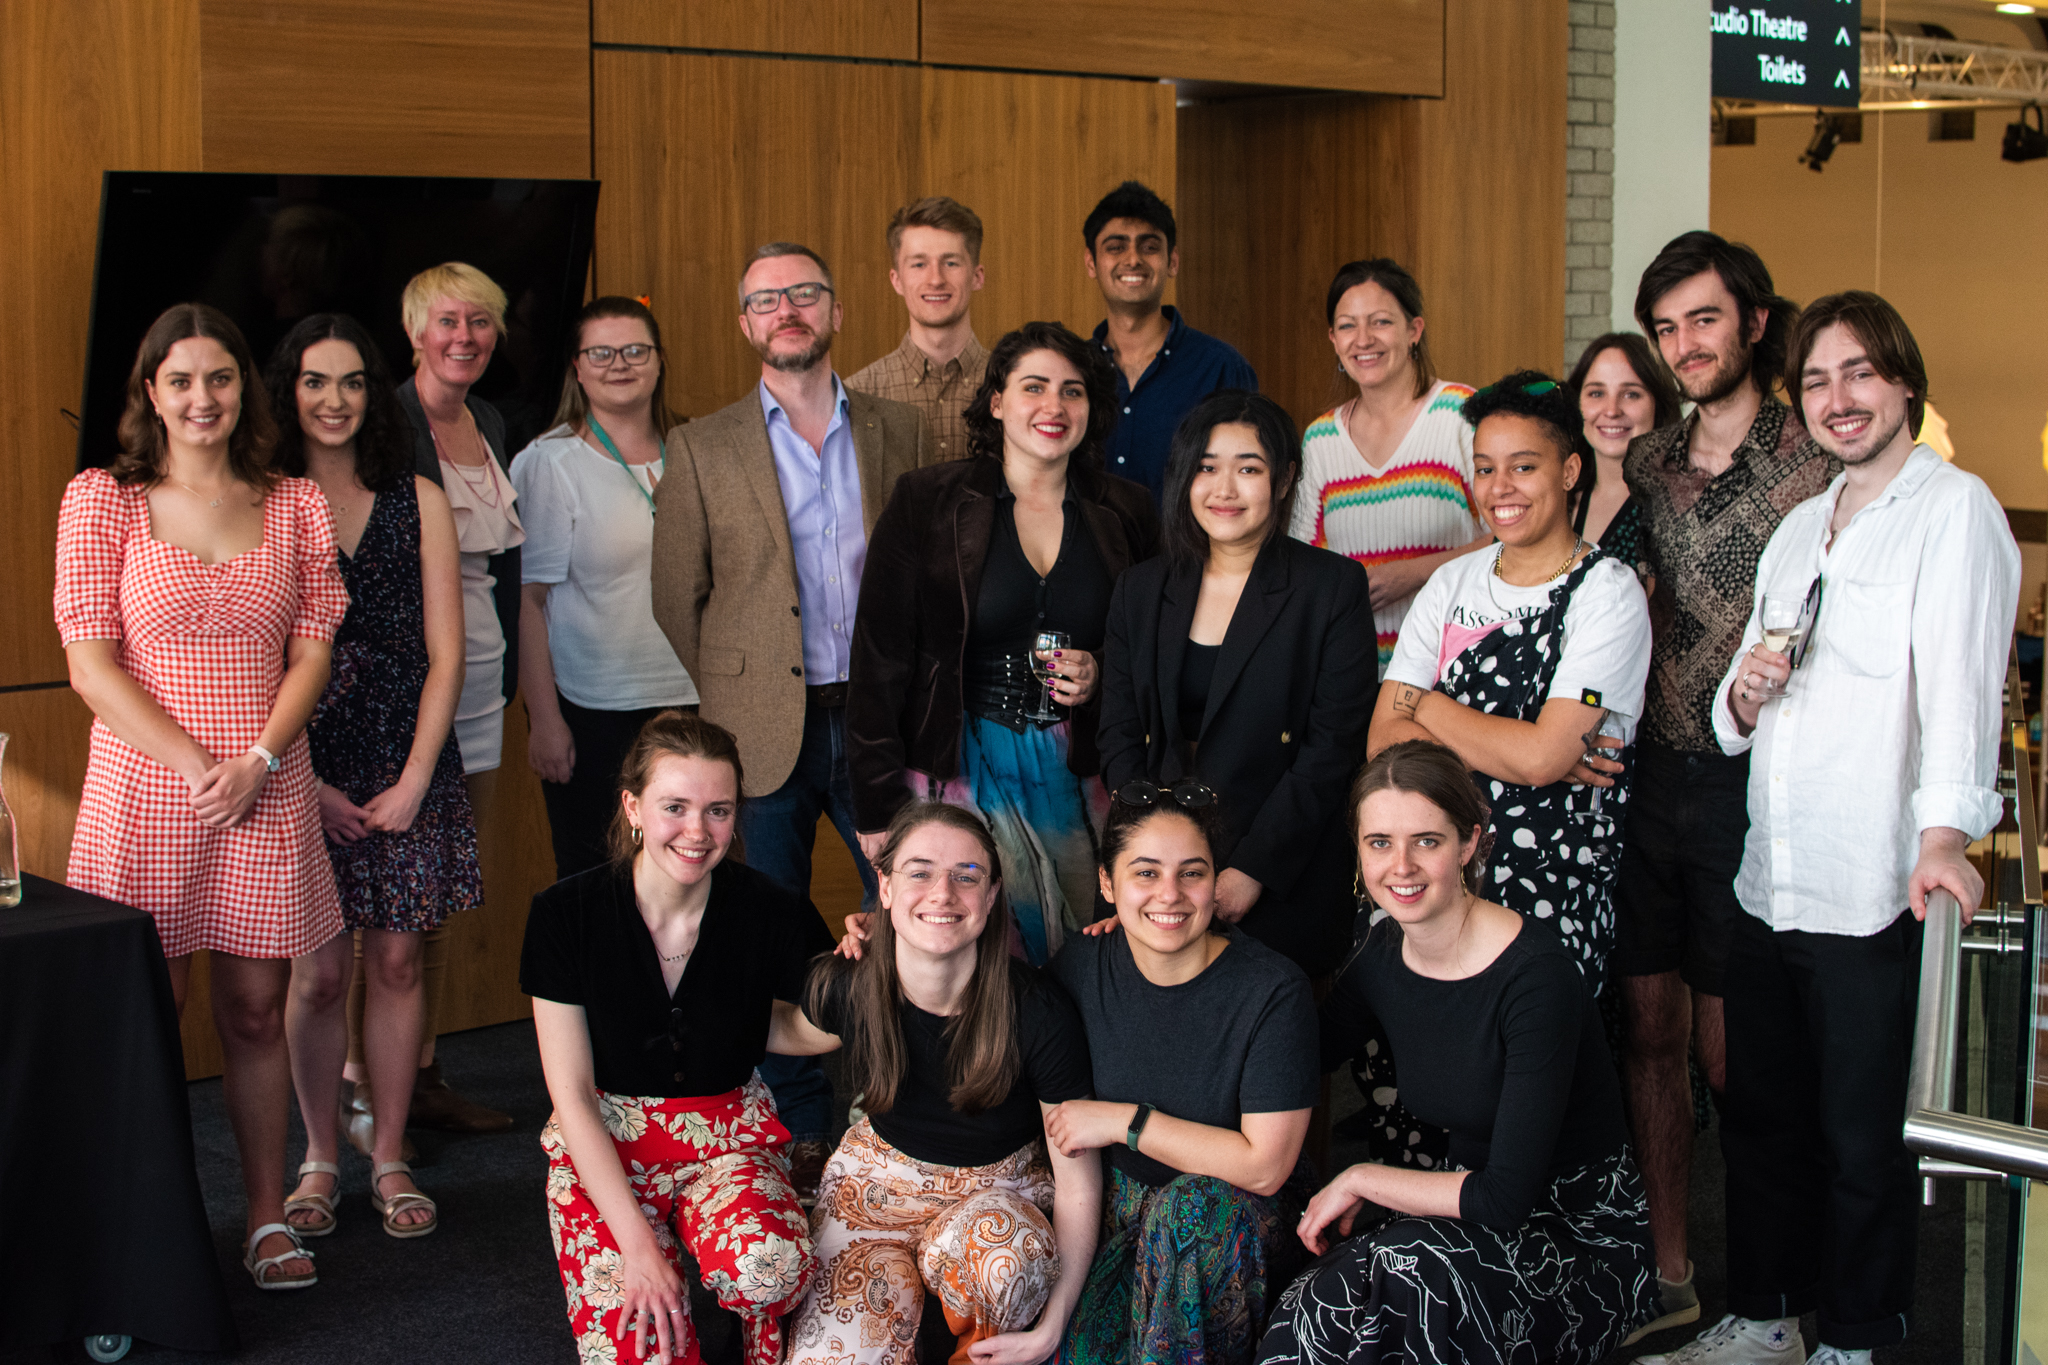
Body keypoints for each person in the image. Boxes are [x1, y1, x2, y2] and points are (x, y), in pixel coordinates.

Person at [1650, 295, 2021, 1365]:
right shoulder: (1802, 522)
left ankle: (1857, 1337)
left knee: (1862, 1139)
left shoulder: (1951, 511)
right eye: (1814, 381)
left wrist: (1943, 835)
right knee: (1764, 1120)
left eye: (1858, 374)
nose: (1836, 399)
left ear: (1903, 382)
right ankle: (1765, 1313)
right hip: (1774, 868)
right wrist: (1744, 695)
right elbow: (1728, 709)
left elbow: (1960, 696)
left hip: (1871, 879)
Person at [57, 303, 349, 1289]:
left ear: (244, 390)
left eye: (219, 378)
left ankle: (266, 1220)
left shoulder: (295, 502)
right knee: (145, 1013)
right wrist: (195, 767)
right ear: (151, 392)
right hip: (145, 790)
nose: (201, 398)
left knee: (258, 1011)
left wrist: (257, 761)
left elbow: (312, 649)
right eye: (180, 380)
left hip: (266, 784)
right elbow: (92, 669)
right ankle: (139, 1234)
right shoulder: (101, 500)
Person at [649, 240, 935, 1196]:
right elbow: (675, 594)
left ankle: (908, 1111)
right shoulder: (701, 444)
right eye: (767, 299)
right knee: (764, 936)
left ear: (836, 310)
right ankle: (800, 1130)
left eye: (804, 293)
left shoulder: (902, 429)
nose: (787, 311)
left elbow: (935, 578)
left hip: (879, 718)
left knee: (913, 912)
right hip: (757, 724)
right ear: (746, 324)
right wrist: (740, 686)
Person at [1258, 740, 1655, 1364]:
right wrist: (1175, 950)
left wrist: (1362, 1176)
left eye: (1428, 841)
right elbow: (1294, 1056)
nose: (1401, 866)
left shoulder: (1535, 978)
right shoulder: (1385, 954)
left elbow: (1505, 1198)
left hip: (1575, 1242)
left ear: (1469, 843)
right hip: (1463, 1218)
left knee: (1400, 1287)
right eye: (1379, 842)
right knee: (1318, 1303)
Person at [1613, 232, 1836, 1333]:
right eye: (1664, 328)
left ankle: (1770, 1289)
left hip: (1759, 785)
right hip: (1648, 778)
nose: (1682, 344)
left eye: (1701, 319)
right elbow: (1601, 592)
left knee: (1730, 1047)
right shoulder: (1646, 462)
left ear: (1751, 322)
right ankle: (1670, 1271)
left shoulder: (1815, 459)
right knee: (1645, 1032)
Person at [1364, 372, 1651, 1167]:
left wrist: (1426, 706)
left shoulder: (1607, 593)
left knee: (1522, 1109)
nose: (1500, 488)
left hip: (1551, 890)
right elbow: (1381, 745)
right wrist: (1514, 744)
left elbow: (1545, 755)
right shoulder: (1454, 583)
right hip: (1435, 875)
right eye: (1485, 467)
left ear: (1568, 470)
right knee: (1418, 1083)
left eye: (1522, 466)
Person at [520, 712, 830, 1365]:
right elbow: (571, 1093)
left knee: (768, 1266)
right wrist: (636, 1244)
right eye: (675, 807)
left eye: (718, 809)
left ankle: (759, 1328)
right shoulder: (563, 914)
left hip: (727, 1135)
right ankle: (664, 1285)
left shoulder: (770, 907)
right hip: (606, 1139)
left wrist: (863, 988)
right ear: (633, 806)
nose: (698, 831)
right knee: (646, 1348)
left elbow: (781, 1026)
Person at [848, 321, 1158, 964]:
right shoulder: (926, 501)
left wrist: (1101, 671)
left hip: (1081, 774)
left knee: (1085, 953)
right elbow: (878, 659)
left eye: (1072, 392)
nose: (1054, 407)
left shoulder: (1127, 510)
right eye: (1034, 387)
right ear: (997, 401)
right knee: (970, 951)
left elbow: (1155, 644)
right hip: (955, 767)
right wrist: (876, 802)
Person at [269, 314, 479, 1242]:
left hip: (408, 754)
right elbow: (251, 657)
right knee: (315, 974)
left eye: (353, 381)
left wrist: (416, 778)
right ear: (289, 391)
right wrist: (299, 777)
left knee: (395, 958)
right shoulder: (262, 499)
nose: (335, 399)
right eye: (316, 381)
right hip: (296, 762)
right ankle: (320, 1155)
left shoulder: (417, 496)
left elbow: (447, 655)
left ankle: (388, 1151)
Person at [774, 802, 1101, 1365]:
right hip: (876, 1187)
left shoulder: (1038, 1013)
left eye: (965, 876)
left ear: (992, 894)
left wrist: (1054, 1324)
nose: (942, 893)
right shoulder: (848, 986)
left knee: (1007, 1262)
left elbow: (1078, 1185)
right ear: (884, 886)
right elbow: (782, 1031)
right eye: (920, 872)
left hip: (997, 1194)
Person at [1097, 391, 1375, 978]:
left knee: (1283, 1043)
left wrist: (1253, 869)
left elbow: (1331, 752)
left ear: (1283, 479)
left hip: (1281, 868)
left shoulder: (1330, 588)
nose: (1225, 489)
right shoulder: (1140, 590)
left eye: (1248, 468)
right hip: (1165, 872)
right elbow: (1119, 736)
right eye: (1207, 467)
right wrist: (1147, 863)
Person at [1047, 785, 1318, 1365]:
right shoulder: (1080, 966)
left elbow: (1265, 1167)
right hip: (1121, 1214)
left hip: (1239, 1222)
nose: (1169, 895)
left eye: (1191, 873)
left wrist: (1125, 1122)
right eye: (1144, 874)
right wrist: (877, 941)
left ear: (1215, 881)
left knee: (1188, 1211)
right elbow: (987, 998)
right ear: (1106, 884)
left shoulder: (1271, 990)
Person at [370, 260, 523, 1144]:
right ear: (416, 332)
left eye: (482, 322)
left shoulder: (489, 419)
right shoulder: (384, 422)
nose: (465, 337)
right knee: (387, 900)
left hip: (482, 684)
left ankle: (419, 1074)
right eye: (449, 322)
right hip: (408, 683)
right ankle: (367, 1084)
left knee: (431, 897)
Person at [513, 295, 698, 879]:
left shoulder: (696, 449)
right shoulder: (550, 463)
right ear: (577, 366)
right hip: (594, 709)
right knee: (599, 879)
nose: (620, 363)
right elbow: (528, 602)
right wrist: (545, 721)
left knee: (688, 876)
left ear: (660, 360)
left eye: (635, 350)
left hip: (692, 700)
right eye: (601, 352)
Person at [1289, 259, 1493, 673]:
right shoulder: (1320, 439)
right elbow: (1301, 563)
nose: (1363, 339)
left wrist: (1414, 573)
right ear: (1333, 338)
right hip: (1350, 672)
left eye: (1380, 322)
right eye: (1347, 326)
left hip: (1453, 666)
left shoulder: (1463, 413)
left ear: (1414, 330)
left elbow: (1511, 539)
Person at [1082, 180, 1257, 499]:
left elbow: (1248, 481)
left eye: (1149, 246)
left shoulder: (1221, 367)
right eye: (1116, 246)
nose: (1133, 259)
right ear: (1091, 262)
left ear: (1172, 261)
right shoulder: (1073, 371)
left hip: (1188, 551)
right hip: (1087, 551)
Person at [848, 196, 990, 461]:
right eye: (919, 264)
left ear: (977, 276)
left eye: (951, 263)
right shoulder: (856, 397)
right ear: (897, 280)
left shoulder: (1011, 386)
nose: (935, 279)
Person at [1564, 331, 1681, 582]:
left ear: (1658, 404)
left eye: (1631, 394)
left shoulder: (1678, 506)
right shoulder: (1559, 497)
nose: (1612, 410)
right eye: (1596, 393)